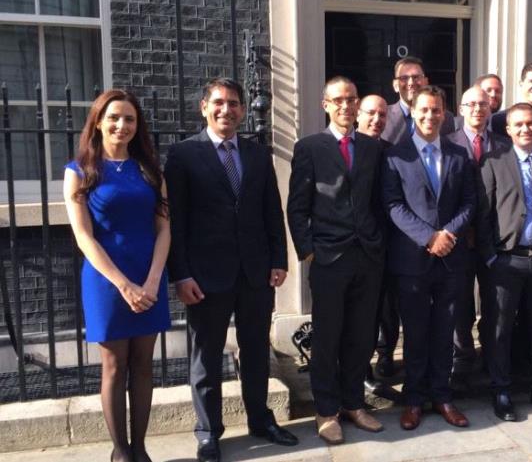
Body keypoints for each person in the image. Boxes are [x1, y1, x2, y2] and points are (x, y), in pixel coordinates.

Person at [165, 78, 297, 462]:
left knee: (256, 350)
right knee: (206, 358)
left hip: (256, 272)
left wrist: (278, 260)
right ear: (204, 106)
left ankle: (260, 420)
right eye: (219, 103)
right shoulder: (184, 154)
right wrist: (181, 274)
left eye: (235, 103)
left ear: (242, 110)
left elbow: (272, 210)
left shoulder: (257, 154)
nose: (228, 110)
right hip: (205, 276)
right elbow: (177, 221)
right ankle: (209, 432)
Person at [63, 89, 171, 462]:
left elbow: (164, 229)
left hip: (149, 275)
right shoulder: (79, 172)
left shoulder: (151, 171)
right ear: (98, 121)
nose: (121, 125)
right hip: (106, 280)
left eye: (129, 119)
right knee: (114, 365)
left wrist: (154, 279)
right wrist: (123, 284)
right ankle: (120, 452)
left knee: (143, 365)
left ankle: (140, 448)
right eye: (113, 117)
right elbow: (83, 236)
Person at [287, 77, 386, 444]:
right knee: (327, 339)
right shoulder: (310, 147)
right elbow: (297, 207)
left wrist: (380, 246)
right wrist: (308, 250)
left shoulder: (374, 148)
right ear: (325, 105)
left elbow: (380, 201)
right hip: (329, 257)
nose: (346, 106)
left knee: (361, 336)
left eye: (351, 100)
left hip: (368, 256)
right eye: (339, 100)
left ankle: (353, 403)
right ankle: (327, 411)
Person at [382, 85, 476, 430]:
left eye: (435, 110)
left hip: (451, 259)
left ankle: (442, 395)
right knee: (416, 332)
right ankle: (414, 399)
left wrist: (447, 234)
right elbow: (393, 205)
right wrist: (428, 237)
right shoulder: (395, 155)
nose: (429, 116)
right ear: (413, 110)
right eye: (423, 110)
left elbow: (470, 202)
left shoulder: (459, 154)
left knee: (444, 331)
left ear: (445, 112)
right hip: (412, 260)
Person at [476, 103, 532, 422]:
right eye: (519, 125)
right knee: (500, 329)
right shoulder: (493, 162)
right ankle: (501, 390)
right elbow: (482, 214)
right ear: (509, 130)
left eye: (531, 123)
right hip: (507, 260)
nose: (526, 129)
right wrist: (490, 256)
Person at [446, 85, 509, 391]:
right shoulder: (447, 144)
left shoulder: (505, 145)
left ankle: (491, 357)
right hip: (459, 238)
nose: (477, 110)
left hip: (494, 238)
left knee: (494, 301)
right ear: (460, 108)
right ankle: (462, 358)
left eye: (483, 105)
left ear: (490, 109)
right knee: (460, 303)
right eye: (471, 104)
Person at [356, 94, 401, 387]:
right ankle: (358, 370)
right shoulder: (344, 149)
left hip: (386, 245)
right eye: (371, 113)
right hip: (353, 248)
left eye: (382, 115)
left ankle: (383, 358)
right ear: (358, 113)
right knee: (360, 316)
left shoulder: (391, 152)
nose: (376, 120)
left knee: (386, 309)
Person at [382, 56, 456, 144]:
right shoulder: (383, 116)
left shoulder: (446, 118)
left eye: (416, 77)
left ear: (426, 82)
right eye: (404, 78)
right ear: (395, 85)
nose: (411, 83)